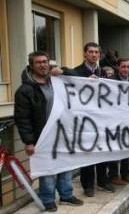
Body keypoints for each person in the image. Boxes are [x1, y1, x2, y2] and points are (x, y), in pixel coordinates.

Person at [14, 51, 83, 212]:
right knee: (47, 170)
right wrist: (28, 141)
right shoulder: (25, 90)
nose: (43, 65)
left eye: (45, 61)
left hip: (63, 134)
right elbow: (22, 118)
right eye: (38, 62)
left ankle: (66, 195)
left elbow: (77, 76)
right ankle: (48, 199)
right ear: (31, 66)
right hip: (42, 137)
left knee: (66, 166)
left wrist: (64, 71)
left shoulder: (56, 81)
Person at [63, 42, 114, 196]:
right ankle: (88, 185)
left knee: (102, 152)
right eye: (90, 52)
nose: (93, 55)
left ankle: (102, 181)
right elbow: (66, 75)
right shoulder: (76, 72)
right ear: (85, 54)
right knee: (87, 153)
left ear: (99, 55)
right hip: (84, 121)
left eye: (96, 52)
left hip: (101, 120)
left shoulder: (103, 73)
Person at [108, 58, 129, 185]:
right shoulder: (111, 81)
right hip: (114, 120)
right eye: (123, 66)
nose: (125, 69)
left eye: (127, 66)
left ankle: (125, 173)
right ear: (118, 68)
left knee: (126, 147)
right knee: (115, 148)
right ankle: (113, 175)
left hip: (128, 120)